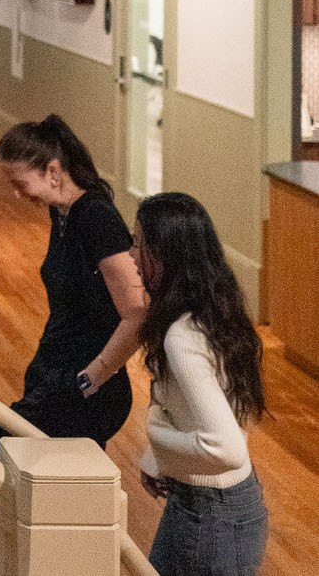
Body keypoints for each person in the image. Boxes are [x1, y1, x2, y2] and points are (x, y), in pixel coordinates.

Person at [0, 115, 148, 573]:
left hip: (83, 393)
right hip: (56, 382)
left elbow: (138, 310)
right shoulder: (62, 212)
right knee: (28, 496)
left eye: (18, 182)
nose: (14, 194)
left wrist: (94, 375)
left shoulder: (96, 217)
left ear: (52, 170)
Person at [135, 192, 268, 576]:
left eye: (138, 244)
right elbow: (203, 408)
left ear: (163, 255)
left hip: (213, 517)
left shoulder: (182, 336)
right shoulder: (210, 312)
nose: (131, 255)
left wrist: (156, 436)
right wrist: (157, 458)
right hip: (209, 504)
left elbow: (224, 447)